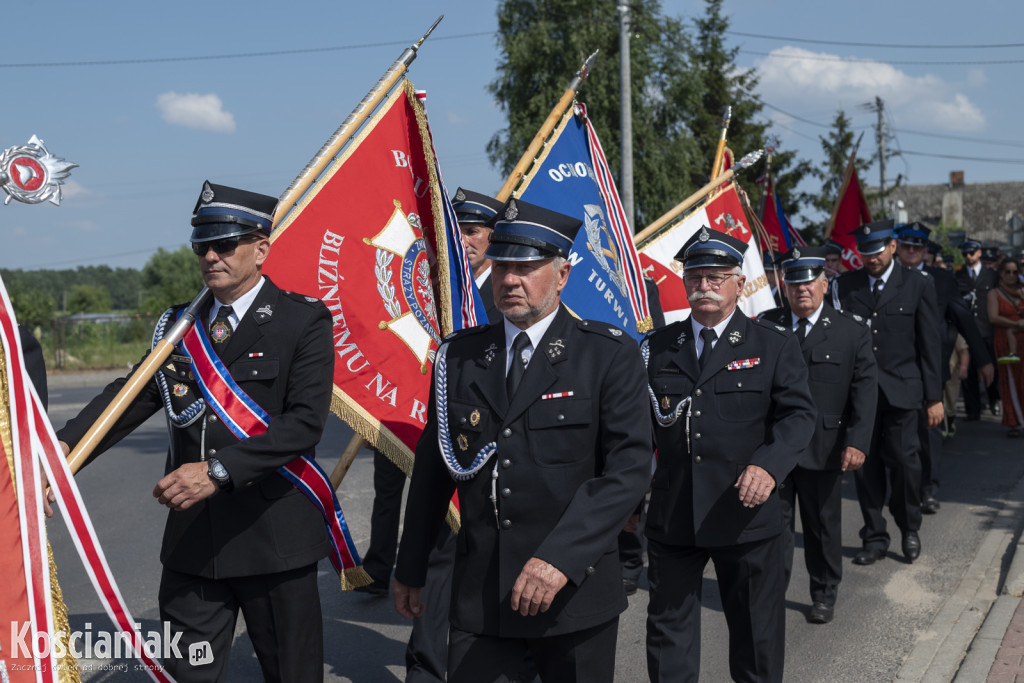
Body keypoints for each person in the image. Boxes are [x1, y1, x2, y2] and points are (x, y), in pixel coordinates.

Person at [57, 181, 334, 682]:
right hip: (194, 545)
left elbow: (304, 423)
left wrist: (218, 471)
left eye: (224, 244)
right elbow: (130, 396)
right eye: (201, 246)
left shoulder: (303, 319)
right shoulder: (180, 326)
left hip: (272, 537)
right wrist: (62, 451)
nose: (210, 256)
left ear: (261, 248)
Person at [392, 198, 652, 683]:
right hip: (482, 596)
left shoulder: (608, 355)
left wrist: (558, 559)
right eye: (502, 265)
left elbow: (628, 471)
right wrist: (410, 567)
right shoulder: (460, 357)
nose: (509, 279)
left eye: (527, 267)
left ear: (562, 276)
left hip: (574, 593)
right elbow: (433, 468)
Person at [643, 227, 815, 682]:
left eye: (717, 276)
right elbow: (636, 431)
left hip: (746, 514)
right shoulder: (656, 349)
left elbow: (798, 418)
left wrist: (769, 464)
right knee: (667, 640)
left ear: (740, 284)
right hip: (674, 514)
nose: (704, 285)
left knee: (756, 640)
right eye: (695, 276)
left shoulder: (773, 344)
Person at [758, 246, 877, 625]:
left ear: (825, 283)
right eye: (793, 281)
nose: (802, 289)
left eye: (809, 281)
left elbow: (864, 389)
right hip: (774, 448)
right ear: (784, 285)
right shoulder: (765, 326)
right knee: (773, 529)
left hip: (824, 448)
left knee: (822, 528)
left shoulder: (850, 331)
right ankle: (770, 596)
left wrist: (857, 440)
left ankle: (824, 592)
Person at [835, 219, 942, 566]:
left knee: (905, 464)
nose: (871, 258)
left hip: (903, 392)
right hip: (859, 396)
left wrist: (934, 396)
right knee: (864, 469)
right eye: (864, 251)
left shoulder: (917, 284)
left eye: (877, 250)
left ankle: (909, 527)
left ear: (892, 247)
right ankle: (874, 535)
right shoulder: (846, 285)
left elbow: (929, 344)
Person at [894, 223, 993, 514]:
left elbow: (961, 315)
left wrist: (983, 358)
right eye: (906, 245)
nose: (912, 251)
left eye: (917, 246)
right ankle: (902, 487)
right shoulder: (887, 279)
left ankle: (929, 489)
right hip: (893, 370)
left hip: (929, 369)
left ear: (925, 250)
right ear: (897, 248)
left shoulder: (941, 278)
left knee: (929, 433)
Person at [956, 239, 1001, 420]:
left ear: (979, 253)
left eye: (971, 253)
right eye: (965, 253)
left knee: (992, 369)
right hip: (967, 331)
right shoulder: (958, 277)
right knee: (969, 373)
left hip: (987, 330)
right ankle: (972, 410)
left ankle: (993, 399)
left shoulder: (991, 275)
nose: (968, 256)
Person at [453, 187, 505, 325]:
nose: (462, 243)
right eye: (456, 233)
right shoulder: (444, 290)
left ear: (493, 236)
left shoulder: (509, 289)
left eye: (472, 232)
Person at [987, 258, 1024, 436]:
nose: (1011, 276)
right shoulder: (994, 293)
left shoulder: (1022, 291)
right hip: (1005, 341)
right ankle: (1013, 422)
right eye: (1007, 272)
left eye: (1015, 272)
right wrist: (1016, 325)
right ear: (1001, 273)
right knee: (1010, 382)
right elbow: (993, 317)